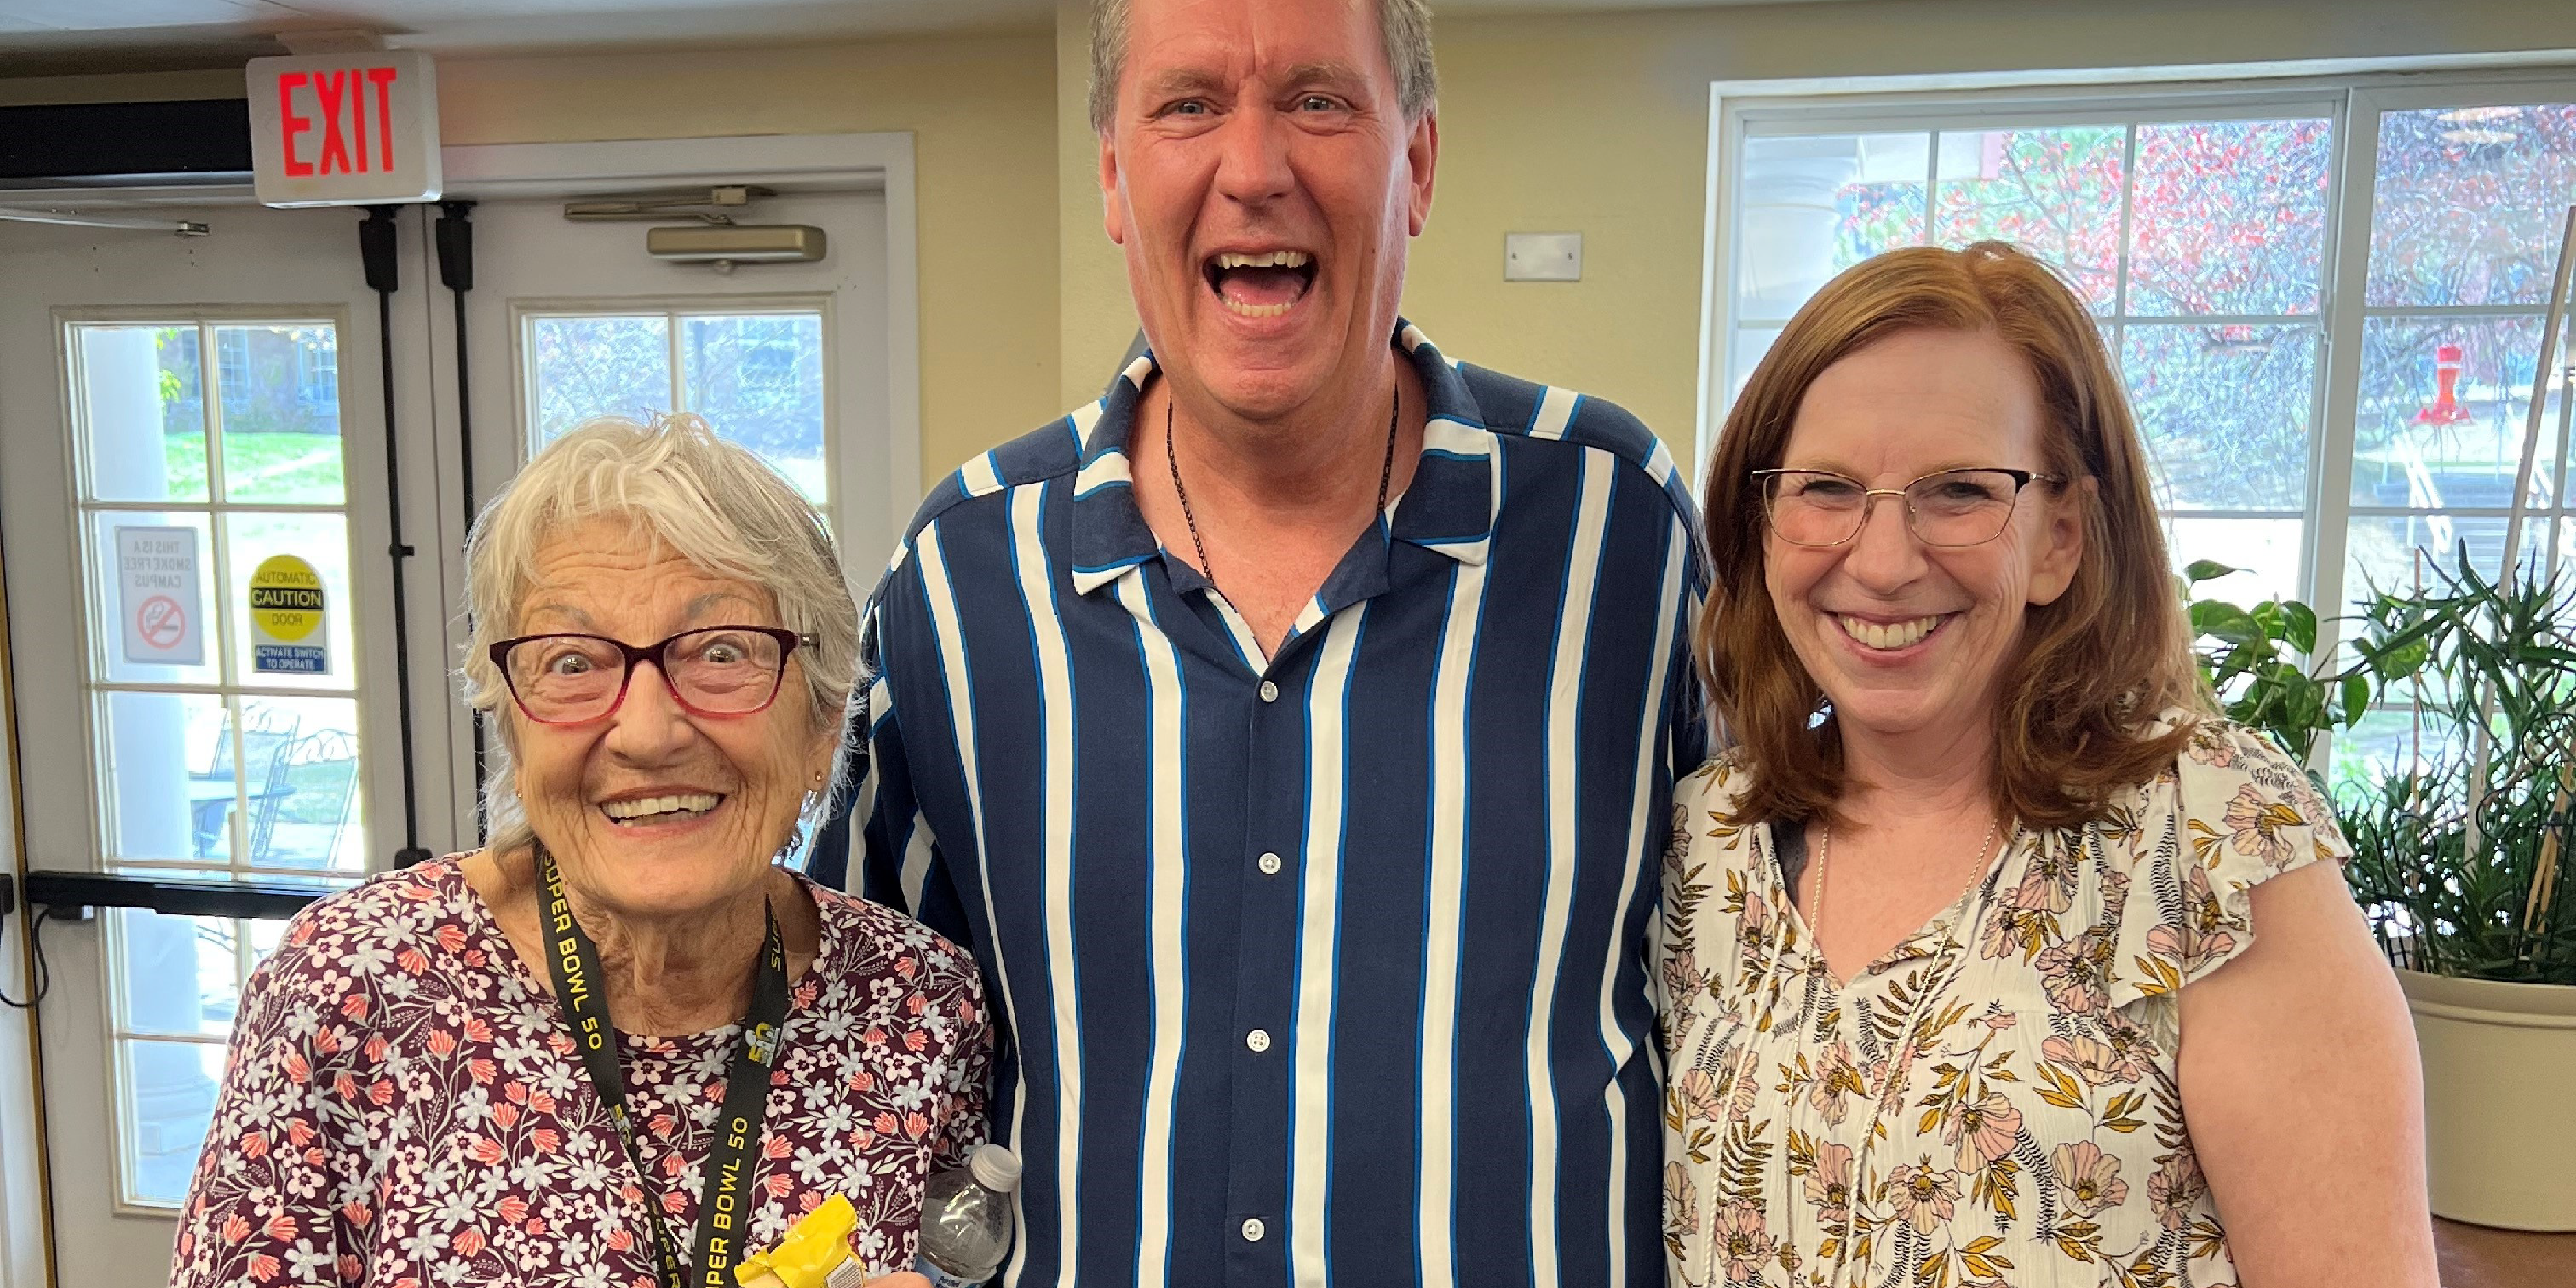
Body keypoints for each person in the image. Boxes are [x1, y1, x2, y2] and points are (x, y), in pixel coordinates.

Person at [811, 0, 1705, 1284]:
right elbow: (862, 1034)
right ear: (1115, 178)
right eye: (1187, 106)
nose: (1254, 168)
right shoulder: (961, 581)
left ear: (1420, 165)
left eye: (1318, 100)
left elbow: (1771, 970)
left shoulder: (1621, 530)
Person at [1658, 244, 2436, 1287]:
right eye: (1827, 488)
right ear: (1760, 524)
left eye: (1960, 491)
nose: (1883, 561)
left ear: (2061, 535)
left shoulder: (2211, 841)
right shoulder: (1703, 837)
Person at [172, 416, 986, 1288]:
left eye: (721, 653)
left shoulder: (923, 1009)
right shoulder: (352, 991)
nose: (645, 731)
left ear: (824, 723)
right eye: (571, 662)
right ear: (513, 728)